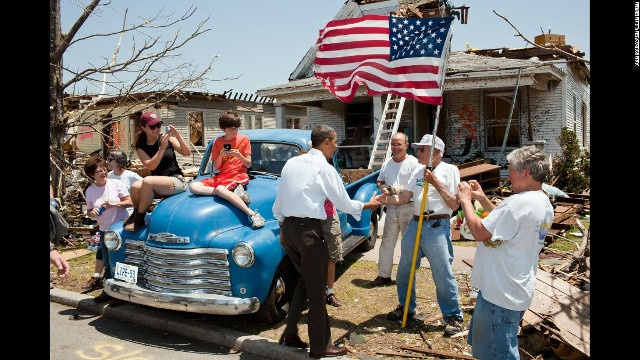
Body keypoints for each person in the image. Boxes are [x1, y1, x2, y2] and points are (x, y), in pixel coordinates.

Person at [272, 124, 380, 359]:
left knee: (304, 281)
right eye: (335, 142)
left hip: (289, 229)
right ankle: (320, 347)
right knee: (318, 290)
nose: (337, 146)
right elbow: (344, 204)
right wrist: (369, 205)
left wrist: (283, 228)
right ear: (326, 142)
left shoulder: (291, 163)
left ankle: (290, 334)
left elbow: (278, 203)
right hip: (309, 232)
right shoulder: (324, 168)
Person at [457, 146, 554, 360]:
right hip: (511, 289)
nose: (507, 175)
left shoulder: (519, 203)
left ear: (525, 172)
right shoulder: (541, 200)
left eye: (510, 169)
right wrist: (482, 198)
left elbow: (481, 232)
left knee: (498, 354)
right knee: (492, 349)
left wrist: (465, 200)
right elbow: (504, 221)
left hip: (500, 294)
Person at [374, 134, 465, 336]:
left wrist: (434, 181)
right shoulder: (417, 169)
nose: (418, 152)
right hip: (415, 223)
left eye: (423, 149)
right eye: (419, 148)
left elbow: (454, 204)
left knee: (442, 273)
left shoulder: (450, 170)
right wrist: (385, 199)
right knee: (405, 269)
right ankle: (406, 307)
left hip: (436, 224)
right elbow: (405, 197)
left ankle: (454, 316)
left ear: (437, 152)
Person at [189, 110, 265, 229]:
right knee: (193, 186)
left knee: (220, 188)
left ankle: (252, 214)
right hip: (222, 176)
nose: (234, 132)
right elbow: (217, 167)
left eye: (236, 128)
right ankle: (230, 193)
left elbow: (248, 164)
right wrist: (221, 155)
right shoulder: (217, 142)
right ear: (224, 129)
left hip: (239, 175)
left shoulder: (244, 139)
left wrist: (239, 156)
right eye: (231, 129)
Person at [124, 112, 191, 232]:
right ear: (144, 128)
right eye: (152, 126)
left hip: (175, 180)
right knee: (135, 186)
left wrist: (177, 136)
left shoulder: (167, 139)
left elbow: (187, 153)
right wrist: (162, 149)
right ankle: (135, 213)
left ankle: (139, 219)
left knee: (147, 181)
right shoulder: (140, 146)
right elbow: (151, 166)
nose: (156, 129)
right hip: (156, 184)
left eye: (158, 126)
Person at [370, 132, 420, 287]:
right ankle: (384, 275)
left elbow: (419, 182)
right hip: (391, 207)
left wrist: (403, 190)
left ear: (407, 145)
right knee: (387, 242)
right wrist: (386, 188)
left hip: (408, 207)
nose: (396, 147)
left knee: (408, 244)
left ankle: (407, 276)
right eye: (393, 144)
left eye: (399, 144)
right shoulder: (388, 163)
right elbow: (380, 181)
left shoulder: (413, 162)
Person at [84, 156, 133, 302]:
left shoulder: (116, 184)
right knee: (108, 262)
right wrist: (92, 213)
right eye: (99, 171)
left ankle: (122, 293)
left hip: (120, 229)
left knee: (122, 261)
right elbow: (90, 210)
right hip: (105, 230)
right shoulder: (90, 191)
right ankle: (110, 292)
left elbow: (130, 202)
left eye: (104, 169)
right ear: (92, 174)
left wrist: (113, 204)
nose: (104, 172)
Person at [106, 149, 142, 215]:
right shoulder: (109, 175)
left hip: (128, 213)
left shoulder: (131, 176)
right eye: (107, 159)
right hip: (113, 213)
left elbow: (146, 185)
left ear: (119, 161)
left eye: (110, 160)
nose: (107, 162)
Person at [323, 199, 343, 307]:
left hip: (329, 217)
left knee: (332, 256)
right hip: (310, 218)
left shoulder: (331, 180)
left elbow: (337, 194)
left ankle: (329, 292)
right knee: (311, 257)